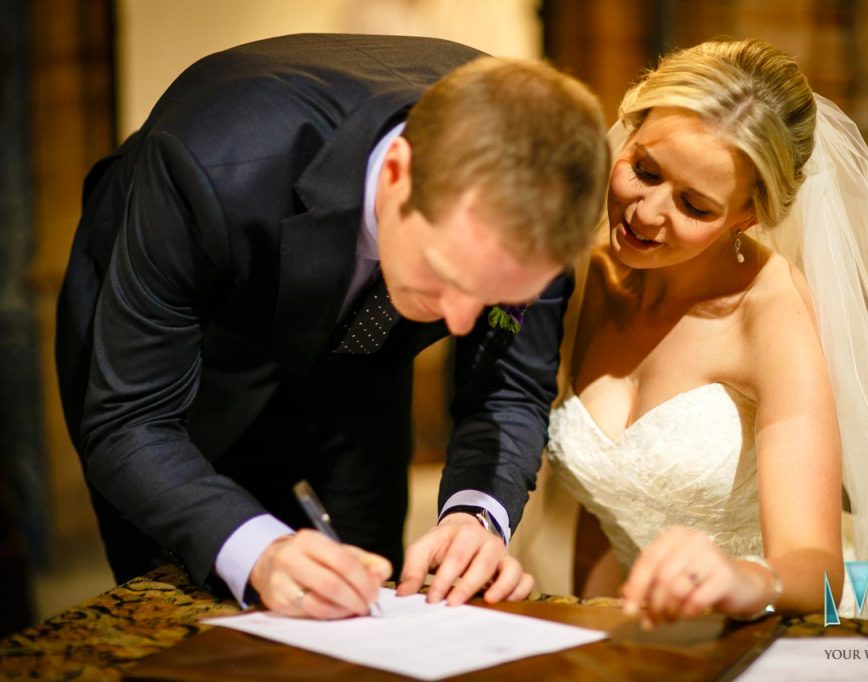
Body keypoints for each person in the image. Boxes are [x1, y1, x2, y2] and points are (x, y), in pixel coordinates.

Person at [55, 33, 609, 619]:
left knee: (366, 587)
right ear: (398, 172)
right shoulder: (209, 161)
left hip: (366, 354)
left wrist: (476, 515)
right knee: (187, 594)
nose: (459, 320)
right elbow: (131, 421)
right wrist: (257, 548)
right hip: (196, 357)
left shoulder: (550, 198)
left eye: (496, 296)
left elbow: (508, 385)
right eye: (444, 276)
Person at [544, 38, 868, 629]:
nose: (645, 213)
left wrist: (740, 578)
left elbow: (815, 566)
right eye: (644, 170)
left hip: (774, 626)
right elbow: (603, 507)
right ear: (627, 131)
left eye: (694, 205)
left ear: (748, 215)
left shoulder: (772, 316)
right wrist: (598, 629)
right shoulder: (593, 275)